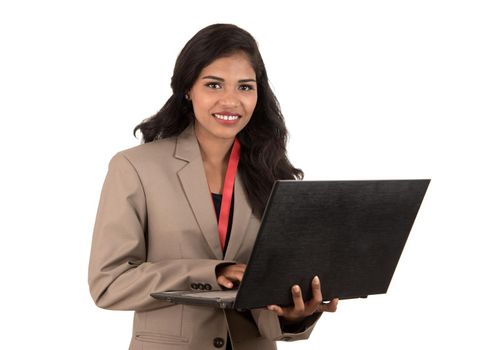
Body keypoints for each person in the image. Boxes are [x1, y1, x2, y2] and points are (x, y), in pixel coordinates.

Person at [88, 23, 338, 350]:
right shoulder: (135, 168)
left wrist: (294, 315)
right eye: (214, 84)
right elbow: (110, 283)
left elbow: (266, 293)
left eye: (245, 87)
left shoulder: (273, 174)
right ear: (188, 89)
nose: (231, 101)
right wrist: (213, 273)